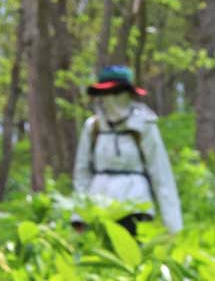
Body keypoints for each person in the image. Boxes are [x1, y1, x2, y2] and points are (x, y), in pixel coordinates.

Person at [73, 65, 182, 235]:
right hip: (99, 203)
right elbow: (82, 173)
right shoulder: (93, 127)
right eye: (107, 94)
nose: (112, 99)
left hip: (136, 203)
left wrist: (173, 227)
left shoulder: (144, 125)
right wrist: (79, 216)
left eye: (117, 93)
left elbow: (161, 175)